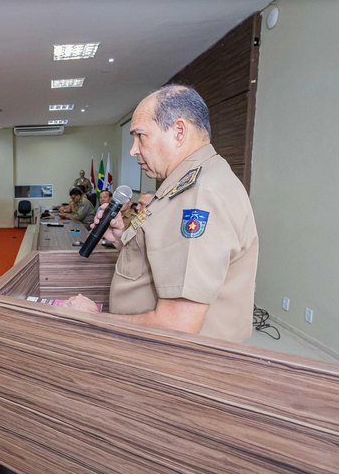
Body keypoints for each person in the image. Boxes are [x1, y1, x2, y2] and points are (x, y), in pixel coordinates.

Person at [65, 85, 258, 344]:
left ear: (178, 131)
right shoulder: (183, 184)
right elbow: (165, 259)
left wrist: (93, 319)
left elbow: (178, 325)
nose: (133, 150)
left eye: (140, 136)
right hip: (152, 347)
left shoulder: (199, 195)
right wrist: (122, 239)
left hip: (178, 364)